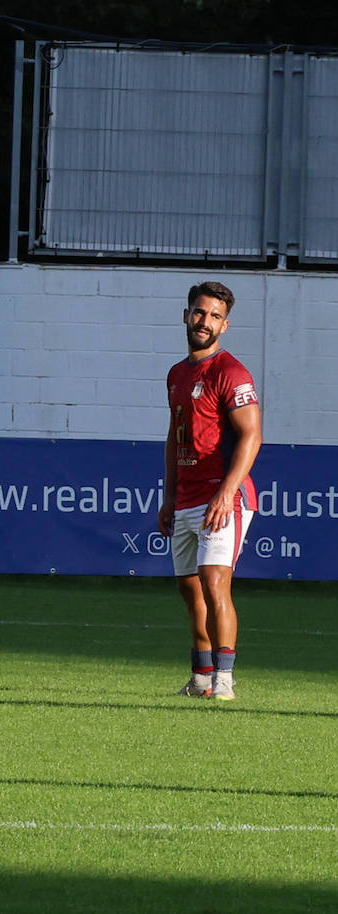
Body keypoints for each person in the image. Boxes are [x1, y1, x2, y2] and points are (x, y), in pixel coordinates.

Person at [157, 281, 261, 702]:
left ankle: (224, 679)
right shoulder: (177, 374)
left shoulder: (230, 372)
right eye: (200, 313)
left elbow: (252, 436)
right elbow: (173, 437)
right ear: (186, 315)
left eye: (215, 316)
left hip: (224, 496)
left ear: (225, 325)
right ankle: (201, 677)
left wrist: (225, 493)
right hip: (186, 496)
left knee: (215, 581)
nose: (205, 321)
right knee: (190, 588)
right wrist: (169, 496)